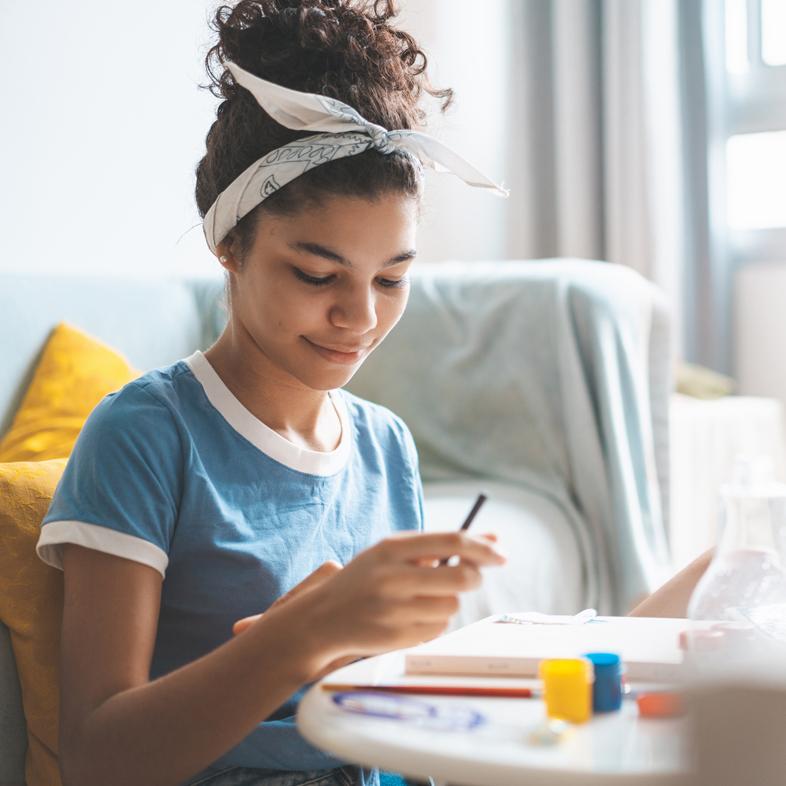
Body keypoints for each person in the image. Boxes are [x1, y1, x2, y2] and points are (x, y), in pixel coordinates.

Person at [36, 2, 507, 786]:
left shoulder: (386, 445)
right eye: (318, 275)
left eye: (392, 279)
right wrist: (297, 637)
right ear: (230, 245)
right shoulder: (147, 435)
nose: (361, 318)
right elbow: (96, 760)